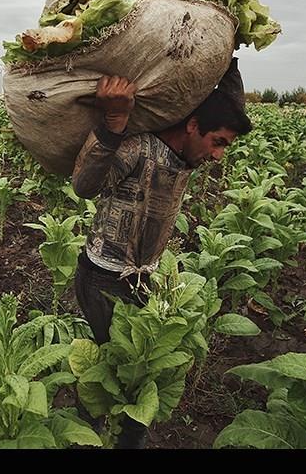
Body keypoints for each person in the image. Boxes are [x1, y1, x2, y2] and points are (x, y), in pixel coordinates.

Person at [71, 58, 252, 448]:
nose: (218, 155)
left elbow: (228, 103)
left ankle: (102, 434)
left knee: (130, 376)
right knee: (120, 381)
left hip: (140, 278)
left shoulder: (189, 155)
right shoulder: (138, 149)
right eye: (217, 142)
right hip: (104, 278)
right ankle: (92, 437)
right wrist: (114, 122)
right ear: (192, 126)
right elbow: (84, 184)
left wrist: (230, 53)